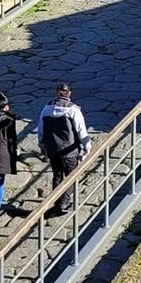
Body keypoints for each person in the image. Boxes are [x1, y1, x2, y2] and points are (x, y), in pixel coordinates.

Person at [37, 83, 90, 215]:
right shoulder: (73, 110)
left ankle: (57, 201)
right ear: (69, 93)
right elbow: (81, 131)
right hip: (69, 150)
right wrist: (87, 147)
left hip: (53, 150)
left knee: (57, 176)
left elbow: (41, 129)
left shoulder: (47, 109)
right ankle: (64, 202)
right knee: (71, 177)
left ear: (56, 93)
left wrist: (42, 144)